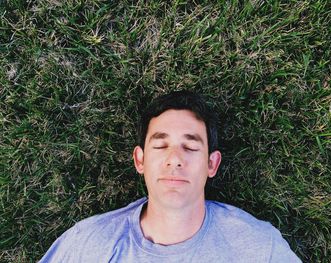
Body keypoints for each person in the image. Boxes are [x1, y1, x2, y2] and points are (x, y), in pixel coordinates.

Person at [40, 90, 301, 262]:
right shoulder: (87, 245)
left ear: (212, 164)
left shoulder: (259, 247)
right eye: (161, 145)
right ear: (140, 160)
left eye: (190, 147)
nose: (175, 158)